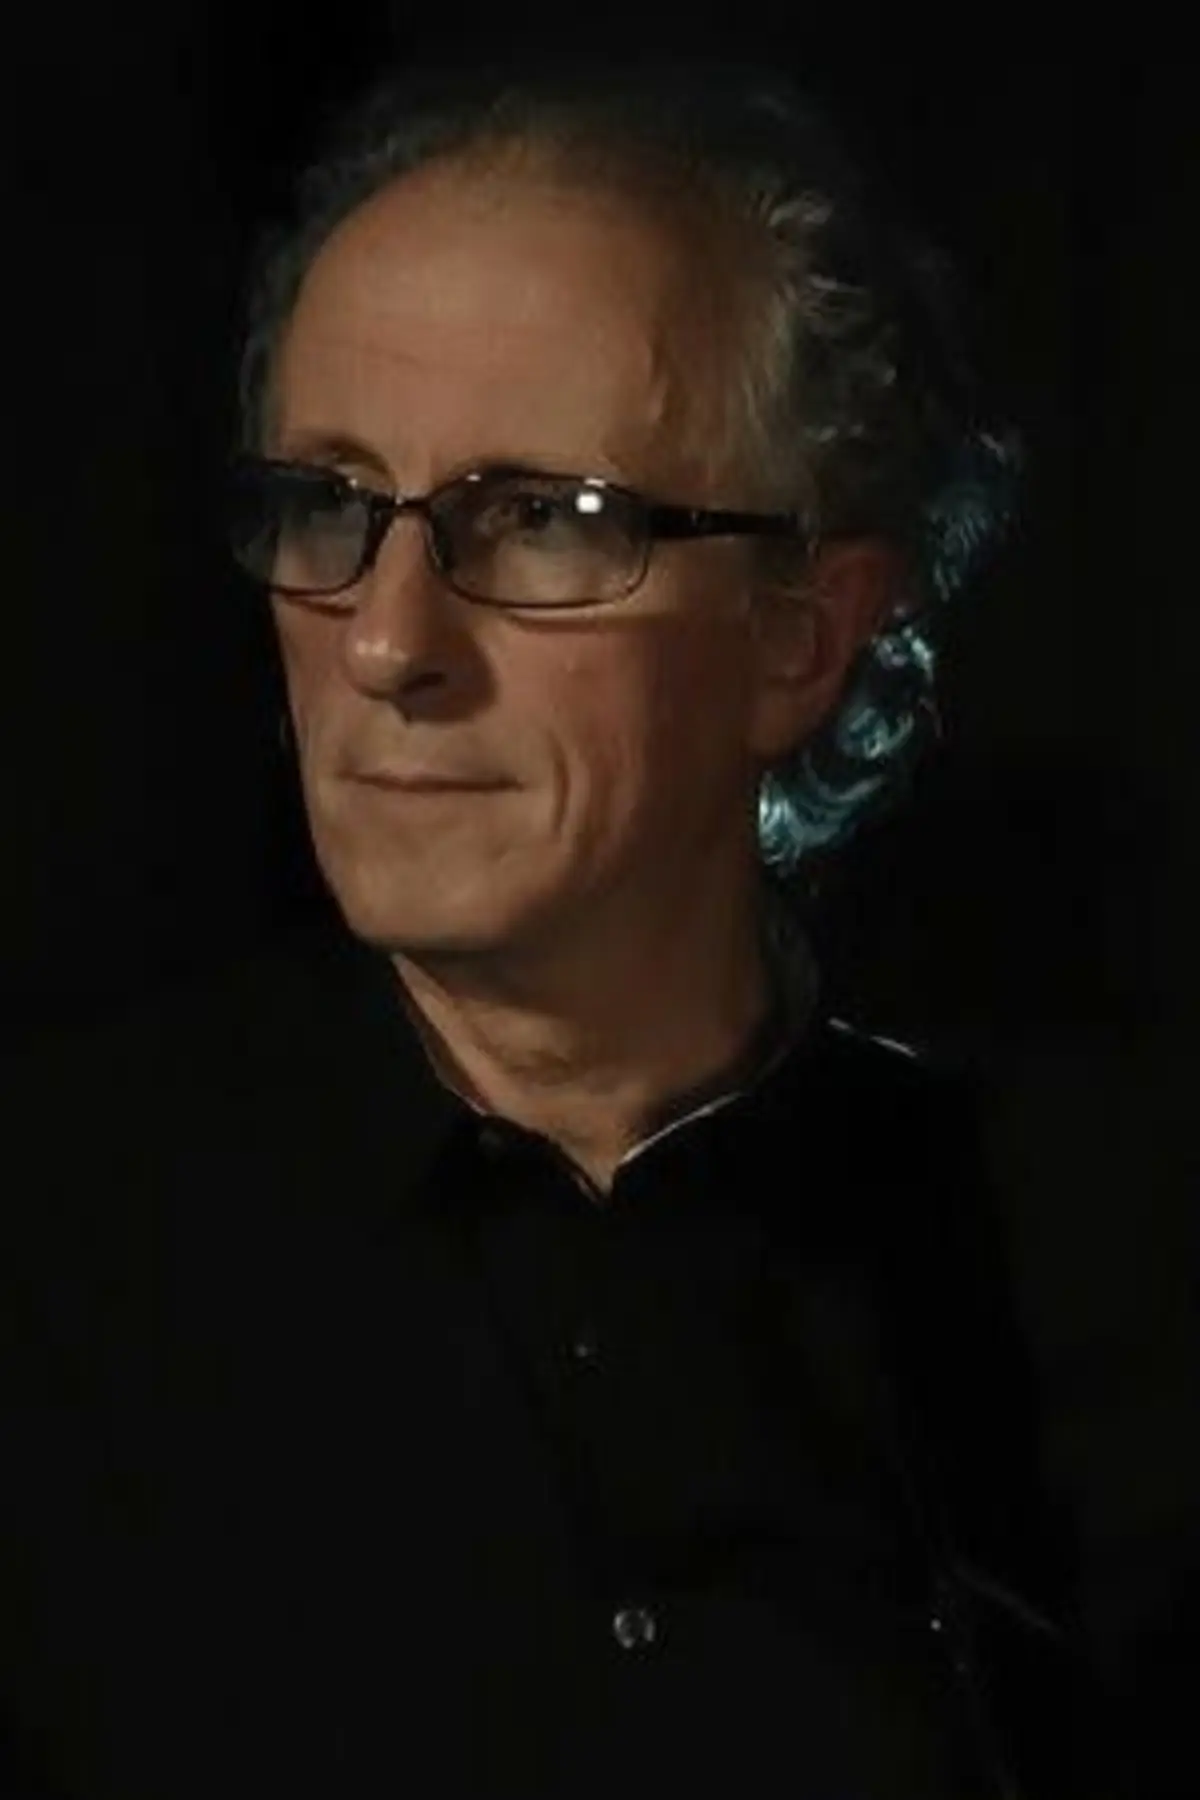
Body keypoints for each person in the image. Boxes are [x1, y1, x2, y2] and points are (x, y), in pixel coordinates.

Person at [0, 50, 1126, 1799]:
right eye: (329, 503)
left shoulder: (1087, 1279)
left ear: (802, 638)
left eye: (540, 520)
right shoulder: (55, 1249)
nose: (388, 644)